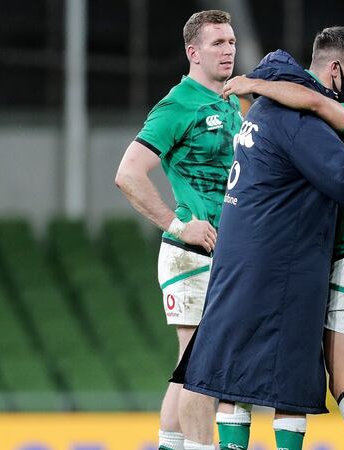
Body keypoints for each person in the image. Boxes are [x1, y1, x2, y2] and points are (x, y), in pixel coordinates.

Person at [174, 27, 344, 450]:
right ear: (336, 69)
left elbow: (314, 108)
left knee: (327, 382)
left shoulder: (279, 112)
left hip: (310, 257)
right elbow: (339, 167)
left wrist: (254, 85)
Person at [114, 10, 241, 450]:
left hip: (227, 254)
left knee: (191, 367)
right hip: (191, 255)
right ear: (193, 52)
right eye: (217, 43)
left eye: (231, 42)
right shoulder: (176, 105)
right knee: (200, 368)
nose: (228, 50)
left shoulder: (230, 101)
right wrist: (178, 224)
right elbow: (129, 173)